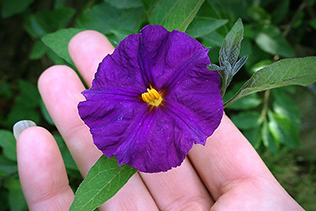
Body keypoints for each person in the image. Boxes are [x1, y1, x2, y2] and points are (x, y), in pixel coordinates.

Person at [14, 30, 304, 210]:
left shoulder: (162, 95)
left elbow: (183, 62)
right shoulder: (149, 96)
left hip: (170, 101)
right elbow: (122, 75)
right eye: (150, 96)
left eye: (153, 96)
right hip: (159, 102)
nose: (151, 96)